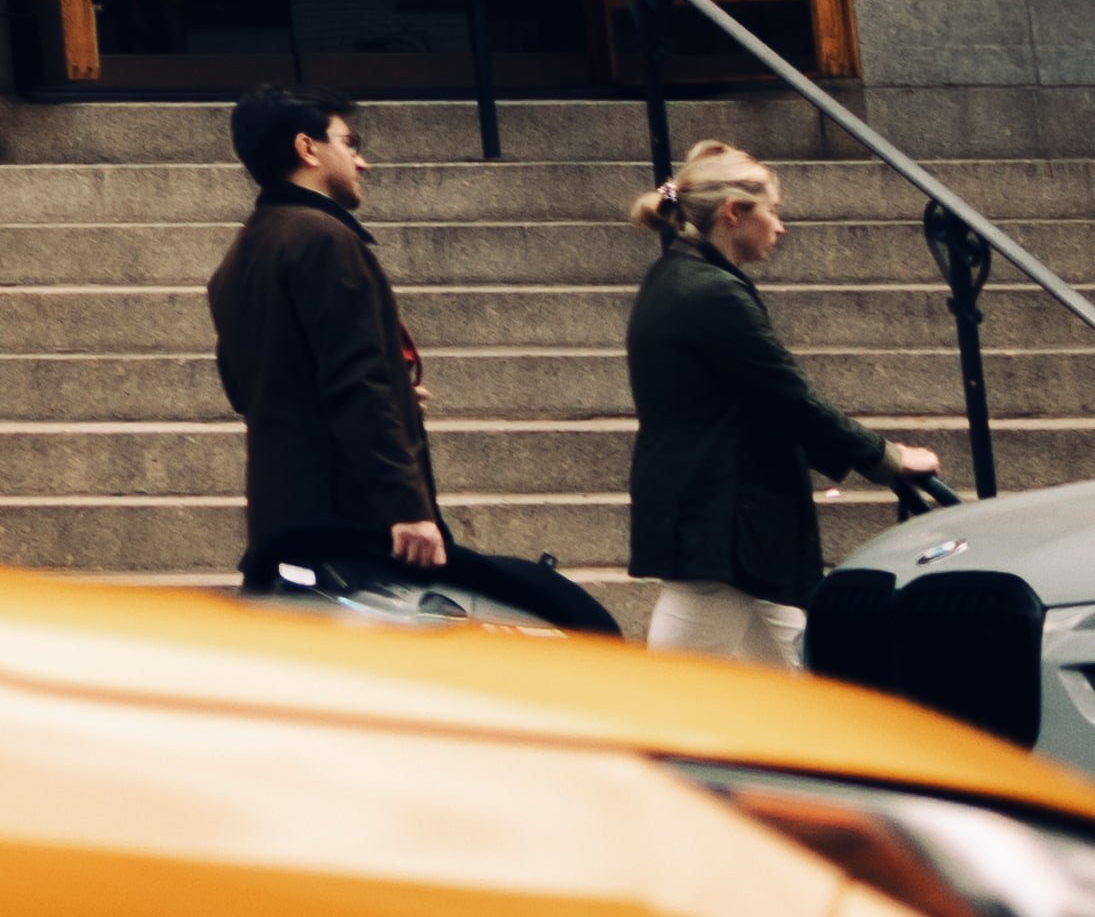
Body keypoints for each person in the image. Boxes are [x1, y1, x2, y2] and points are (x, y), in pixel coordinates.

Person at [209, 85, 618, 630]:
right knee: (572, 618)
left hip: (285, 517)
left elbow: (248, 386)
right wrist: (405, 505)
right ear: (308, 148)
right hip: (353, 518)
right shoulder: (325, 240)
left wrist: (394, 391)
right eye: (349, 142)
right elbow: (359, 381)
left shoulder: (240, 256)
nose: (363, 160)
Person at [623, 142, 940, 667]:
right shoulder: (711, 293)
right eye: (772, 210)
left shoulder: (675, 278)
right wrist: (887, 458)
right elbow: (791, 400)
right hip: (724, 522)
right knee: (678, 697)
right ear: (734, 213)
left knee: (799, 681)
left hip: (718, 519)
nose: (780, 226)